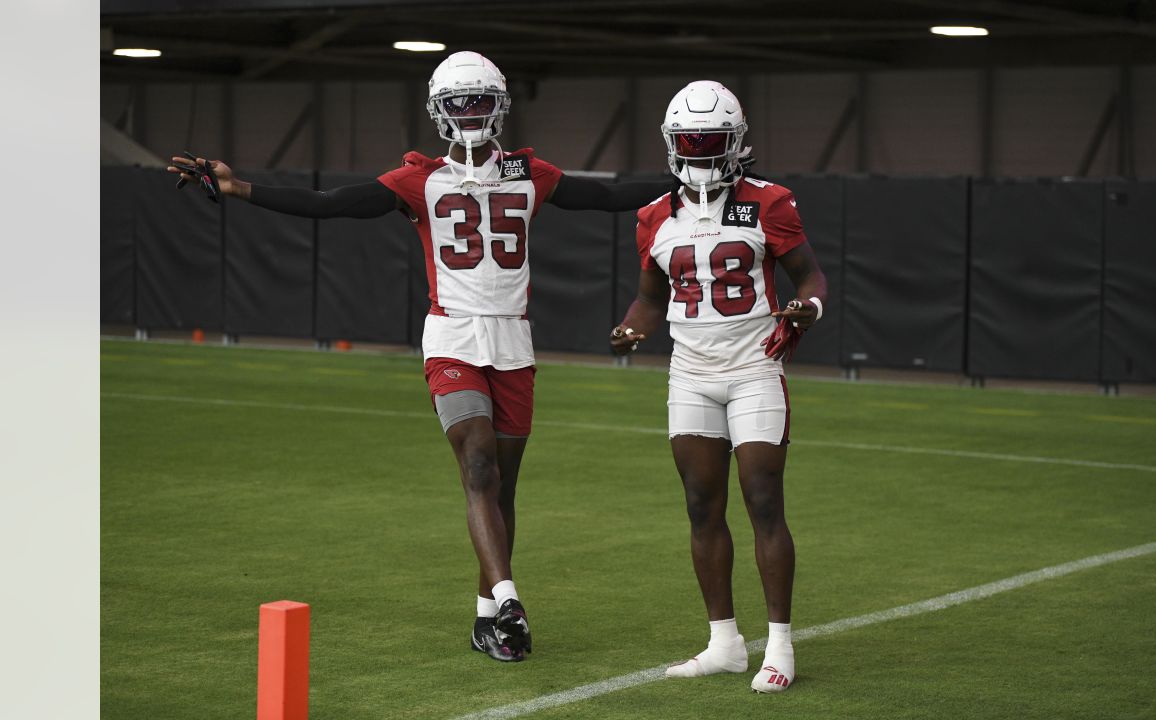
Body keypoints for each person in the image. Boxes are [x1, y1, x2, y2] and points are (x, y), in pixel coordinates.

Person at [169, 51, 673, 663]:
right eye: (459, 103)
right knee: (480, 465)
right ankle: (511, 599)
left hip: (512, 340)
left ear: (500, 106)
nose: (470, 113)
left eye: (480, 100)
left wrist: (692, 177)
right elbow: (330, 203)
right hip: (453, 337)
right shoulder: (417, 179)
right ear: (438, 111)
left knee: (502, 486)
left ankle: (488, 616)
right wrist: (239, 187)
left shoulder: (528, 171)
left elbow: (611, 195)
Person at [609, 80, 827, 693]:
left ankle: (779, 645)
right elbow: (652, 300)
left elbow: (809, 274)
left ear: (736, 144)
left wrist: (808, 308)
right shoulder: (654, 215)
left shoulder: (769, 201)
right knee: (702, 506)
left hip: (755, 366)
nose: (700, 155)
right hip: (692, 374)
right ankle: (725, 642)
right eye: (690, 143)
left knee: (763, 499)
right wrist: (631, 328)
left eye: (711, 143)